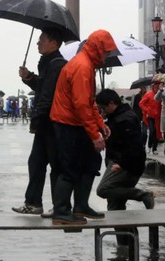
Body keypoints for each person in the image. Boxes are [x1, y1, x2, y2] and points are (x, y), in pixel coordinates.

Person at [49, 29, 118, 225]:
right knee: (70, 167)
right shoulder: (82, 67)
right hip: (67, 123)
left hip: (75, 122)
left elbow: (88, 103)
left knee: (91, 162)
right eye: (106, 52)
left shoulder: (86, 66)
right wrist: (94, 134)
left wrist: (99, 124)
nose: (107, 56)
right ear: (97, 49)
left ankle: (80, 206)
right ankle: (61, 211)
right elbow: (81, 105)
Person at [13, 29, 67, 215]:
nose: (38, 43)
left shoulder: (57, 65)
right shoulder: (48, 64)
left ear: (53, 42)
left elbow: (48, 96)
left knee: (56, 166)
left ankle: (60, 206)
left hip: (52, 122)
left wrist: (38, 117)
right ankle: (34, 202)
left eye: (41, 40)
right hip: (45, 123)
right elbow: (42, 87)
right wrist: (29, 77)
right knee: (35, 162)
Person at [94, 89, 155, 211]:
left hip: (126, 165)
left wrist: (121, 164)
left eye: (103, 108)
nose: (102, 111)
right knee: (115, 207)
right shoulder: (115, 116)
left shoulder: (125, 119)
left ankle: (143, 195)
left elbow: (135, 146)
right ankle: (128, 230)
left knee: (103, 189)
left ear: (111, 103)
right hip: (118, 162)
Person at [139, 81, 162, 154]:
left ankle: (154, 148)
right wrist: (147, 110)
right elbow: (141, 103)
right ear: (153, 86)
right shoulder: (148, 94)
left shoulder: (161, 94)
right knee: (152, 131)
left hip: (158, 117)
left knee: (157, 133)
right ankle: (149, 146)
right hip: (150, 116)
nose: (157, 89)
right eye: (156, 87)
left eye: (158, 87)